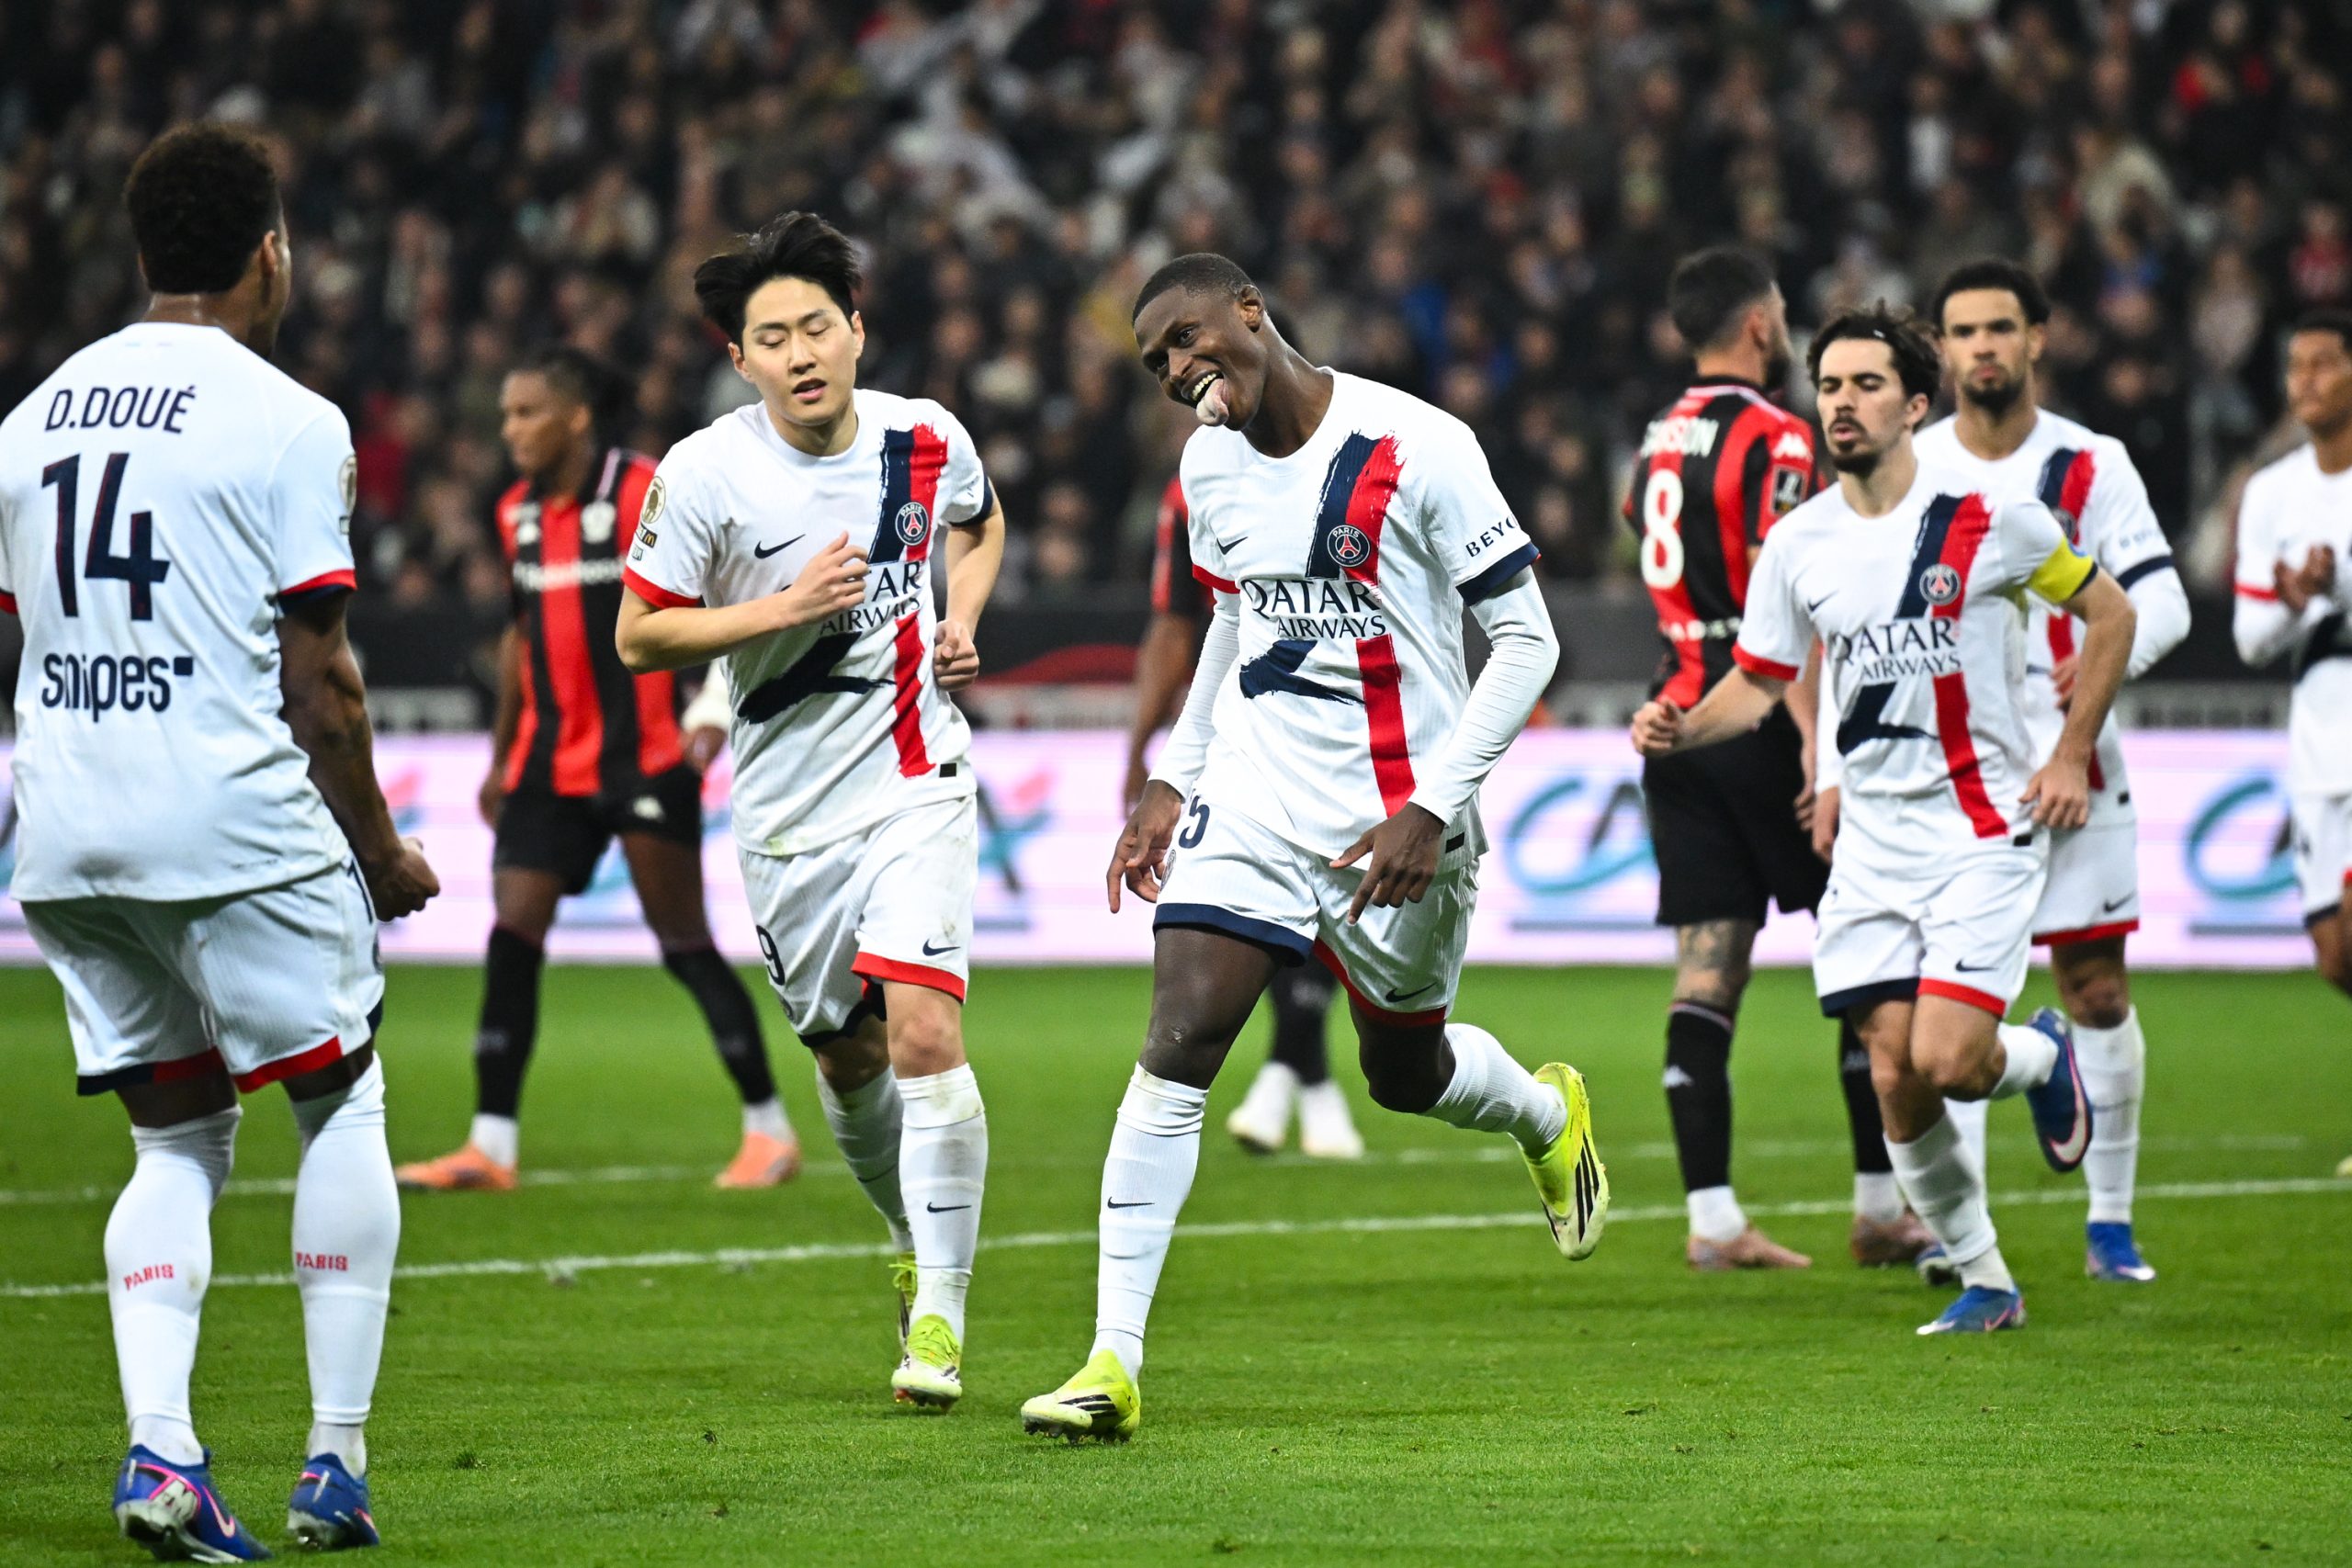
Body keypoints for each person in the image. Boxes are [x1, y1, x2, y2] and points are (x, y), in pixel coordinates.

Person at [1020, 254, 1605, 1443]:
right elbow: (1233, 616)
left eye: (1187, 336)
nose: (1178, 369)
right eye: (1155, 361)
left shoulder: (1418, 445)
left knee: (1404, 1073)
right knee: (1179, 1037)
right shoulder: (1205, 465)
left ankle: (1543, 1117)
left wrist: (1433, 804)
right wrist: (1172, 776)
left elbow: (1529, 642)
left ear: (1251, 310)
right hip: (1255, 794)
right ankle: (1109, 1360)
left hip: (1398, 819)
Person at [0, 123, 438, 1556]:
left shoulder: (31, 418)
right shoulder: (288, 418)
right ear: (271, 253)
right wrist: (379, 848)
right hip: (229, 815)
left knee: (177, 1132)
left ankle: (164, 1452)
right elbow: (324, 680)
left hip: (66, 828)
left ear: (142, 252)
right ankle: (335, 1462)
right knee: (341, 1097)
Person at [1633, 304, 2134, 1335]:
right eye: (1828, 386)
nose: (1842, 404)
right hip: (1868, 845)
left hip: (1978, 830)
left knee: (1950, 1058)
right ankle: (1988, 1281)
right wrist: (1681, 729)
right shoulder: (1798, 542)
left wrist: (2069, 751)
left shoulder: (1992, 518)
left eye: (1866, 385)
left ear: (1914, 406)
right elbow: (1760, 679)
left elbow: (2111, 613)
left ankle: (2044, 1057)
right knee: (1893, 1070)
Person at [616, 212, 1006, 1410]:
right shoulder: (703, 474)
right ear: (739, 358)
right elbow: (640, 634)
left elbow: (980, 523)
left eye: (817, 327)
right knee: (848, 1058)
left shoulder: (925, 436)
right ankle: (906, 1234)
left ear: (856, 330)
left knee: (923, 1036)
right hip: (788, 819)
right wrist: (782, 609)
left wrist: (960, 618)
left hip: (916, 779)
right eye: (773, 337)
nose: (801, 353)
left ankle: (940, 1320)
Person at [394, 346, 793, 1194]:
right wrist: (500, 756)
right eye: (506, 415)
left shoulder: (649, 489)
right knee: (512, 935)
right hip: (546, 763)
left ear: (575, 417)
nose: (511, 431)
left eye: (527, 412)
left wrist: (710, 711)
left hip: (644, 758)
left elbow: (729, 594)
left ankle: (769, 1129)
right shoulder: (515, 513)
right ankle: (489, 1145)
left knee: (684, 944)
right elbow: (520, 636)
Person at [1628, 247, 1931, 1272]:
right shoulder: (1777, 436)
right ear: (1760, 324)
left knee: (1707, 972)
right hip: (1758, 720)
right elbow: (1784, 591)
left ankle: (1713, 1220)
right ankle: (1880, 1206)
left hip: (1678, 717)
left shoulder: (1654, 438)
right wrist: (1816, 745)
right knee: (1867, 951)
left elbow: (1652, 545)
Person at [1901, 259, 2193, 1283]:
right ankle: (1963, 1240)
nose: (1982, 346)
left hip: (2078, 765)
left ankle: (2110, 1225)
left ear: (2036, 339)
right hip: (1954, 779)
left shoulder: (2090, 464)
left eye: (2000, 327)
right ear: (1941, 350)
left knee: (2096, 989)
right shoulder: (1915, 467)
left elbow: (2161, 599)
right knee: (1957, 996)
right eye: (1962, 330)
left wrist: (2098, 680)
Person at [1125, 473, 1360, 1160]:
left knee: (1319, 913)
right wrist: (1154, 758)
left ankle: (1292, 1077)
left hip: (1342, 733)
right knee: (1262, 907)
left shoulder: (1360, 470)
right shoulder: (1195, 488)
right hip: (1236, 736)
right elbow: (1185, 621)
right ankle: (1299, 1080)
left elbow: (1173, 626)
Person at [2231, 309, 2352, 1178]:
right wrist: (2295, 598)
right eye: (2295, 367)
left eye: (2324, 363)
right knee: (2337, 954)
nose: (2305, 381)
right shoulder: (2272, 491)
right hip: (2318, 732)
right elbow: (2249, 639)